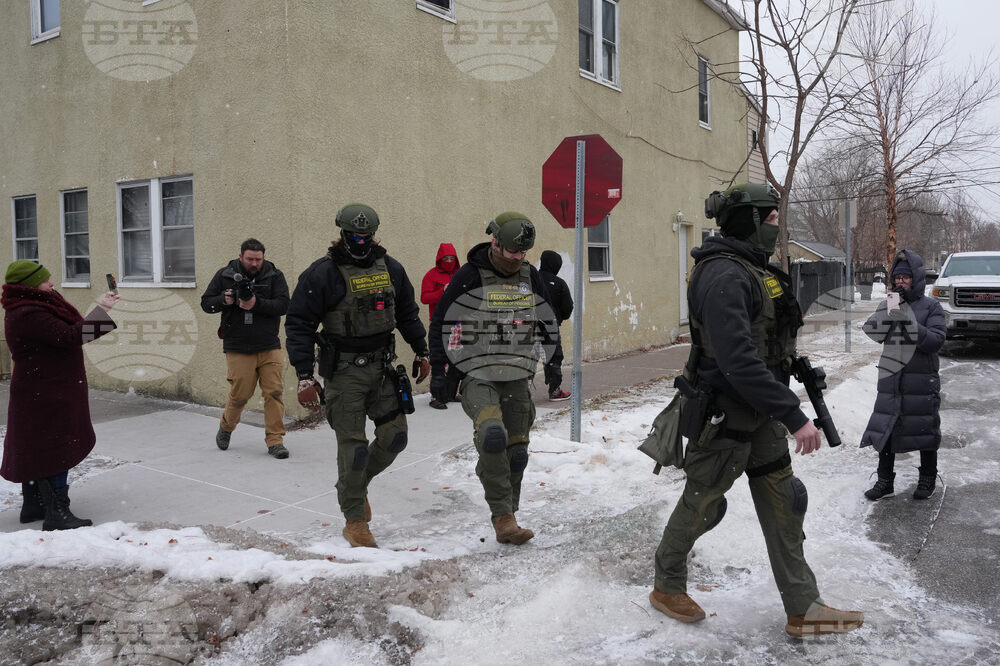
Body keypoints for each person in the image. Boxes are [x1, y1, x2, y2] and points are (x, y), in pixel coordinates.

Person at [650, 184, 863, 637]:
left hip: (759, 415)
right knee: (701, 505)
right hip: (724, 416)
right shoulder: (723, 275)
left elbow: (766, 342)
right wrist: (793, 414)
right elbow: (737, 360)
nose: (775, 226)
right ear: (746, 220)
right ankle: (666, 585)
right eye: (768, 219)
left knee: (785, 503)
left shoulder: (755, 270)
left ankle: (803, 607)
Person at [285, 204, 430, 549]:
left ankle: (355, 485)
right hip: (345, 372)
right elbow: (299, 325)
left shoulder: (391, 269)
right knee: (353, 450)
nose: (361, 242)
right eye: (354, 236)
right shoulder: (323, 274)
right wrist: (305, 377)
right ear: (342, 233)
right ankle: (355, 521)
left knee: (395, 438)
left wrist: (422, 350)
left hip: (382, 369)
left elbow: (407, 312)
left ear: (375, 235)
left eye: (366, 236)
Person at [428, 212, 557, 546]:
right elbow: (442, 319)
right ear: (496, 242)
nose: (517, 258)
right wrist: (440, 371)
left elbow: (546, 316)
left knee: (517, 452)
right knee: (492, 435)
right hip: (478, 372)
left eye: (522, 253)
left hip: (516, 374)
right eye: (512, 251)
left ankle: (508, 513)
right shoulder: (470, 275)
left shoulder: (531, 276)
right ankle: (503, 517)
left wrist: (550, 349)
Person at [1, 260, 119, 530]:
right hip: (46, 391)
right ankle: (57, 513)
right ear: (31, 285)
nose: (51, 283)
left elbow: (69, 330)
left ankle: (35, 505)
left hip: (45, 388)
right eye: (45, 280)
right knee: (57, 446)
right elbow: (68, 336)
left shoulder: (33, 305)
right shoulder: (29, 313)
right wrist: (103, 311)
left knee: (37, 447)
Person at [861, 250, 946, 501]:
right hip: (891, 379)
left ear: (916, 279)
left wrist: (909, 322)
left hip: (920, 379)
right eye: (897, 278)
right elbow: (873, 332)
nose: (900, 282)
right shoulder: (889, 303)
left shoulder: (932, 307)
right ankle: (884, 481)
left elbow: (936, 341)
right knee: (887, 428)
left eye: (905, 278)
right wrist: (888, 310)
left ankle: (927, 478)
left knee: (925, 429)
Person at [201, 238, 291, 459]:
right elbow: (206, 303)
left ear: (264, 257)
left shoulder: (274, 275)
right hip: (238, 345)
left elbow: (284, 305)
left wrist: (256, 304)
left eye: (258, 259)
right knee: (240, 394)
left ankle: (275, 441)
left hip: (268, 344)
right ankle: (226, 427)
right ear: (241, 256)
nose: (254, 263)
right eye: (250, 259)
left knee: (275, 392)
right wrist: (223, 300)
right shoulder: (225, 275)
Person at [421, 243, 461, 409]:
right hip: (439, 322)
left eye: (452, 258)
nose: (449, 261)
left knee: (457, 360)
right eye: (446, 258)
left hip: (458, 322)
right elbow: (425, 298)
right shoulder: (431, 275)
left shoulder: (460, 275)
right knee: (439, 360)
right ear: (440, 259)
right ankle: (436, 395)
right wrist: (442, 292)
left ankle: (452, 392)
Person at [538, 250, 573, 401]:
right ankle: (554, 390)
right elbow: (568, 307)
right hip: (550, 327)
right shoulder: (559, 283)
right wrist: (560, 317)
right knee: (554, 356)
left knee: (526, 356)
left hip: (527, 325)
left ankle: (521, 391)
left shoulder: (531, 280)